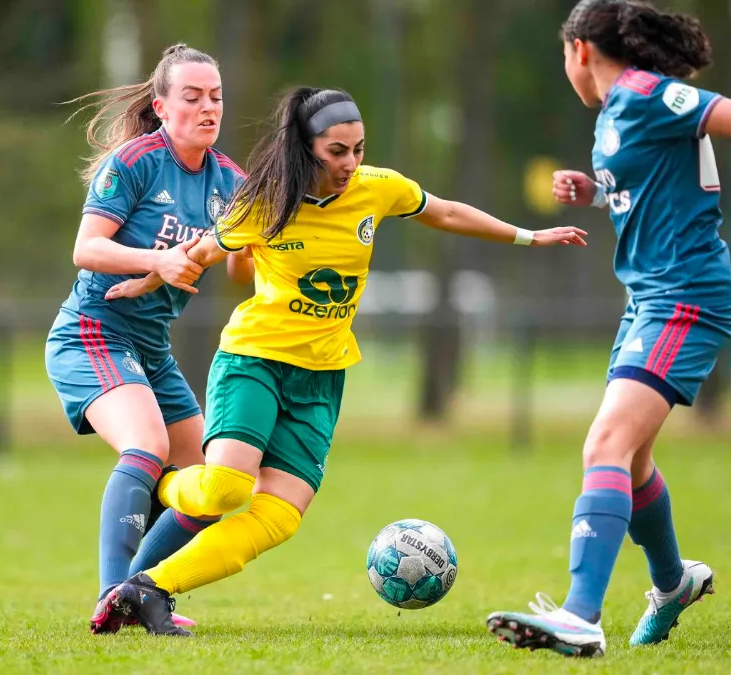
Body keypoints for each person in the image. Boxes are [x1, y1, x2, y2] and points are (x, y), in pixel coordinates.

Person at [96, 86, 588, 636]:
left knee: (279, 517)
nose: (351, 163)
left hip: (323, 377)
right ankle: (166, 484)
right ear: (305, 149)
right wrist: (146, 278)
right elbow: (200, 253)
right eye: (337, 151)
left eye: (358, 149)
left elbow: (446, 212)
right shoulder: (263, 203)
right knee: (225, 491)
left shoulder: (379, 187)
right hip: (254, 361)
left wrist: (530, 236)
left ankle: (149, 587)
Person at [484, 0, 731, 658]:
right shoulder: (617, 112)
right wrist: (596, 191)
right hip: (651, 300)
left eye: (563, 57)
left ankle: (581, 615)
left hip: (684, 297)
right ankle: (672, 582)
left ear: (581, 50)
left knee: (604, 443)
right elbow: (659, 187)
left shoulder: (644, 92)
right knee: (631, 460)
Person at [44, 43, 246, 634]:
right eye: (192, 97)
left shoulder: (230, 181)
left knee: (209, 483)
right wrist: (156, 261)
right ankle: (112, 593)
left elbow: (239, 267)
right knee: (147, 446)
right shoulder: (135, 161)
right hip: (93, 331)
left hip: (151, 348)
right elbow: (86, 249)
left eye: (216, 97)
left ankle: (138, 593)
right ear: (161, 106)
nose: (208, 108)